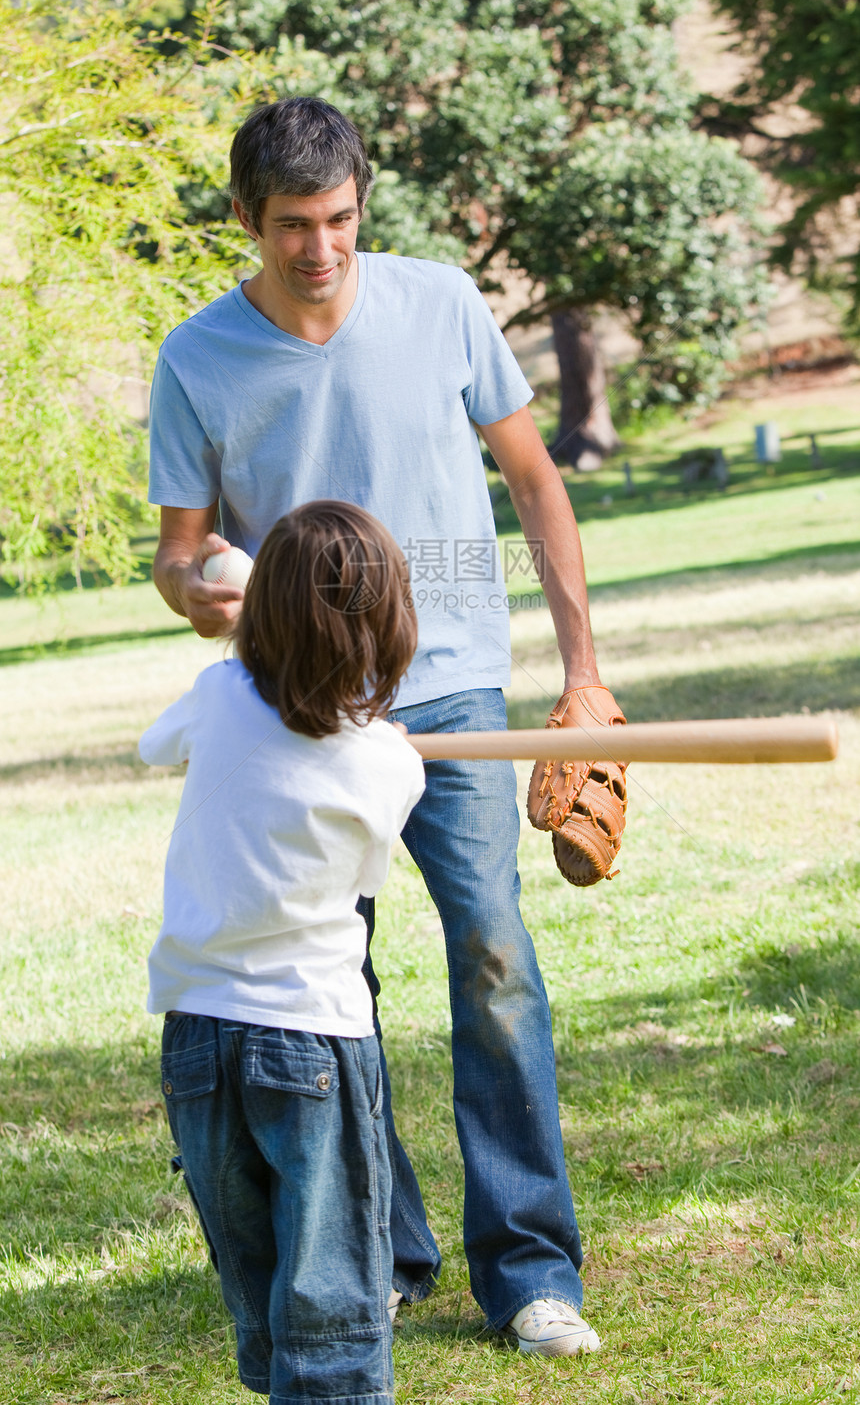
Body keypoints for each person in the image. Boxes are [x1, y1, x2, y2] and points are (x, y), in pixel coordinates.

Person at [149, 95, 614, 1357]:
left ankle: (528, 1269)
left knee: (496, 962)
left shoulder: (441, 302)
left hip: (454, 681)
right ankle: (383, 1252)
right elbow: (178, 560)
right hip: (301, 705)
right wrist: (203, 587)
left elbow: (532, 479)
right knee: (319, 994)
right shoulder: (197, 357)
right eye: (291, 224)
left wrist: (581, 674)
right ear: (246, 219)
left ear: (365, 202)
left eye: (340, 218)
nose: (320, 249)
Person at [142, 501, 426, 1405]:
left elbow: (159, 748)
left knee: (262, 1281)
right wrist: (387, 748)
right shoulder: (387, 763)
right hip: (308, 1036)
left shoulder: (216, 695)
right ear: (388, 626)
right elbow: (366, 877)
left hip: (196, 1040)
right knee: (330, 1288)